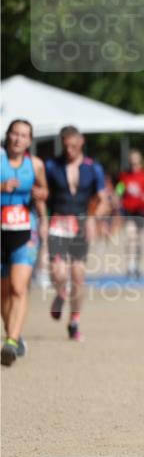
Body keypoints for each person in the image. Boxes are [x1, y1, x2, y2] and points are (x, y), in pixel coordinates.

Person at [45, 126, 111, 342]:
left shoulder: (93, 168)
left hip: (81, 223)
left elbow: (103, 199)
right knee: (59, 273)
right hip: (58, 221)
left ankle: (74, 321)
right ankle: (61, 292)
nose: (69, 150)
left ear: (81, 142)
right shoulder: (51, 166)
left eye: (73, 146)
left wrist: (94, 219)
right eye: (65, 146)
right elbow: (43, 194)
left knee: (78, 275)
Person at [1, 120, 48, 366]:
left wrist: (42, 196)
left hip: (25, 230)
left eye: (24, 135)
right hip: (1, 231)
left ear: (29, 141)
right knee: (4, 292)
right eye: (15, 134)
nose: (18, 139)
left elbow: (44, 191)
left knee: (19, 287)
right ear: (8, 136)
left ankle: (11, 341)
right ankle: (14, 335)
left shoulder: (36, 164)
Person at [117, 149, 144, 280]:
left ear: (140, 162)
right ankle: (130, 266)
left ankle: (137, 266)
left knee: (138, 240)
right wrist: (116, 197)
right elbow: (119, 190)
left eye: (136, 163)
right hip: (128, 211)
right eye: (131, 163)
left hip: (140, 211)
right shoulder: (124, 176)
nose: (134, 166)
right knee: (131, 237)